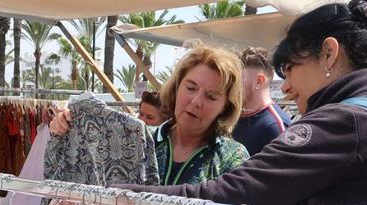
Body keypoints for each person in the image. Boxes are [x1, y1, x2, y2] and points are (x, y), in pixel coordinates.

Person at [51, 0, 367, 205]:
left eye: (290, 70)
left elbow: (227, 197)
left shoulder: (345, 124)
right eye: (190, 88)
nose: (286, 87)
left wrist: (108, 199)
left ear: (330, 54)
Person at [51, 45, 249, 186]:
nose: (196, 101)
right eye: (190, 87)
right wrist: (67, 126)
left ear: (225, 107)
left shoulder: (231, 158)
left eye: (211, 97)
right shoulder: (138, 139)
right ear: (177, 87)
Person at [233, 47, 292, 155]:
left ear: (259, 82)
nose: (232, 86)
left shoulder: (275, 127)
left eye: (237, 80)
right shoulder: (233, 115)